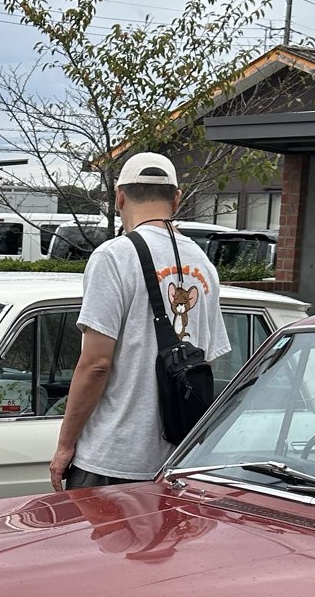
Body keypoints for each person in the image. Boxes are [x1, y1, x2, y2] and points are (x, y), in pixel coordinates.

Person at [49, 152, 229, 490]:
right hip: (176, 464)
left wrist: (65, 445)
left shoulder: (113, 257)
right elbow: (206, 361)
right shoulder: (204, 264)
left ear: (119, 197)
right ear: (176, 199)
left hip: (111, 459)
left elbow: (96, 364)